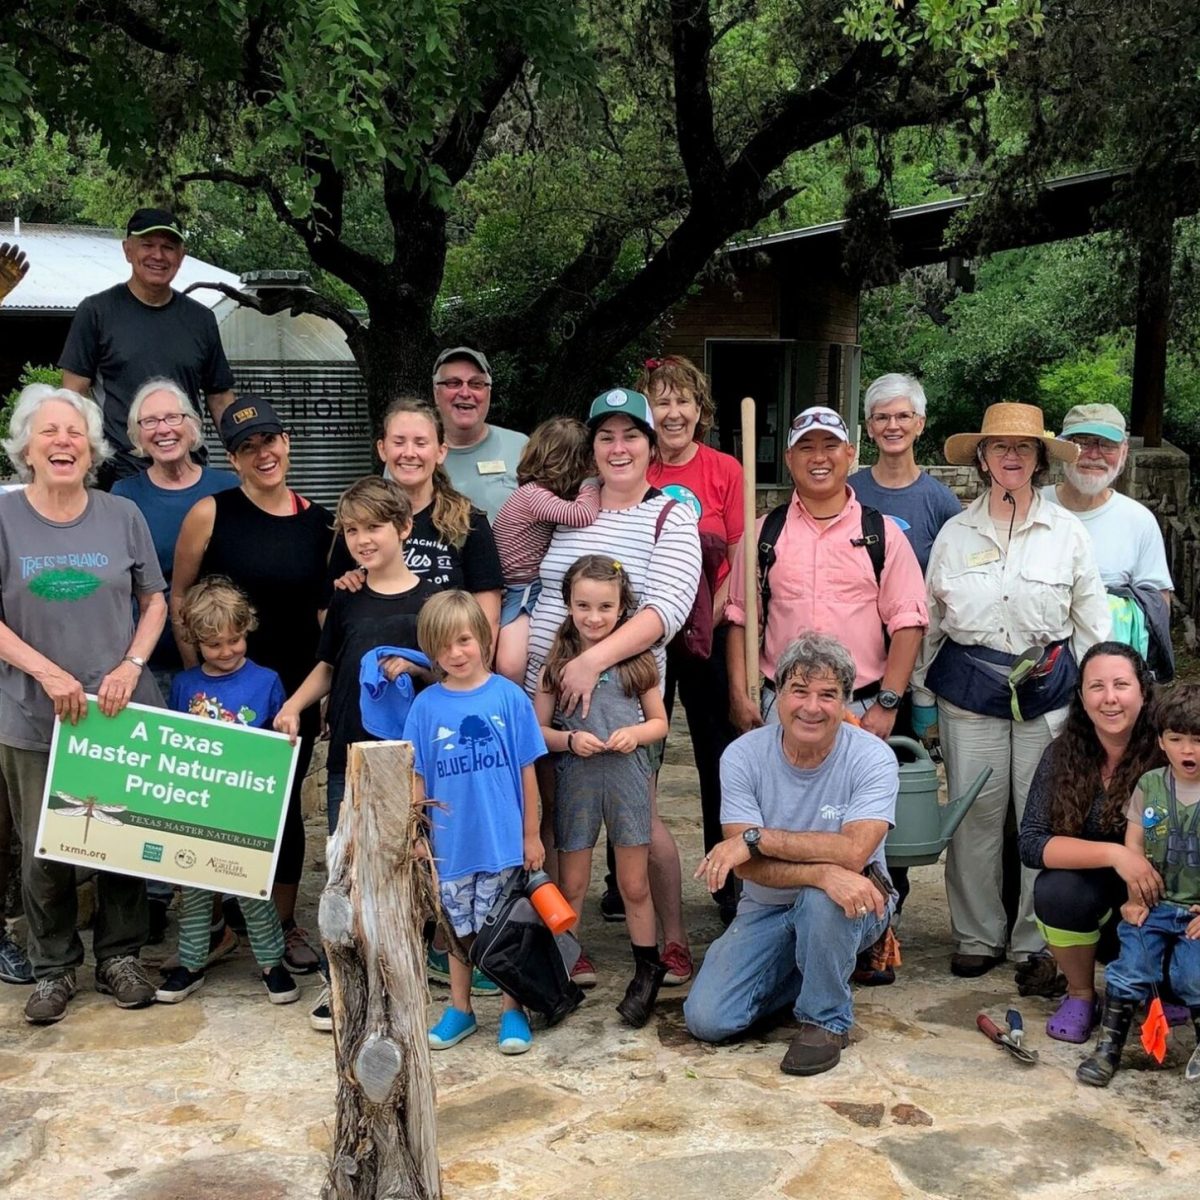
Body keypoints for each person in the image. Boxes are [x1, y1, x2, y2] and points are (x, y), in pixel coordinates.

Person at [913, 402, 1111, 983]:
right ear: (982, 458)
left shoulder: (1067, 534)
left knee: (1041, 817)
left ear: (1041, 459)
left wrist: (1092, 699)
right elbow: (931, 620)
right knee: (974, 814)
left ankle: (1035, 939)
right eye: (1000, 447)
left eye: (1023, 448)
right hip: (969, 691)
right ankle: (977, 935)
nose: (1011, 457)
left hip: (1047, 691)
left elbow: (1092, 624)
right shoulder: (955, 533)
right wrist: (922, 697)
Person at [0, 386, 166, 1024]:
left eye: (74, 432)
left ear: (92, 447)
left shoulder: (120, 514)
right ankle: (52, 967)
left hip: (115, 711)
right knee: (44, 847)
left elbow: (153, 600)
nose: (63, 442)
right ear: (27, 448)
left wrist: (131, 665)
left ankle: (120, 957)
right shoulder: (6, 519)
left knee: (118, 837)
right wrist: (46, 673)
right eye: (50, 433)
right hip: (31, 712)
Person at [525, 388, 701, 986]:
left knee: (641, 825)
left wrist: (590, 662)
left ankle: (671, 941)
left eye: (632, 436)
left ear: (652, 446)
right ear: (591, 446)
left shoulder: (670, 514)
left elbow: (666, 608)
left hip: (623, 695)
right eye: (606, 436)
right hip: (547, 695)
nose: (618, 447)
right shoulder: (566, 505)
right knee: (553, 821)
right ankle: (559, 944)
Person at [683, 633, 898, 1076]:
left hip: (855, 902)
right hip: (766, 906)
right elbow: (749, 865)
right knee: (708, 1019)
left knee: (826, 902)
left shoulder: (873, 757)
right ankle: (817, 963)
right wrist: (822, 872)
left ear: (846, 703)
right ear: (777, 694)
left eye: (827, 695)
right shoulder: (743, 755)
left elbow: (855, 852)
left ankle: (824, 1019)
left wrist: (757, 837)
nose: (811, 707)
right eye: (798, 691)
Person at [172, 395, 334, 977]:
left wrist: (325, 692)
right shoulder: (210, 513)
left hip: (290, 694)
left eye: (269, 440)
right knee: (215, 803)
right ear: (232, 459)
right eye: (246, 447)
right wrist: (198, 676)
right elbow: (180, 596)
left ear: (286, 441)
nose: (262, 454)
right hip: (217, 694)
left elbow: (328, 616)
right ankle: (214, 924)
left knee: (283, 807)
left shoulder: (323, 522)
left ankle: (282, 922)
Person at [726, 406, 928, 739]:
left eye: (830, 446)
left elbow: (908, 623)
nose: (818, 457)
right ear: (789, 458)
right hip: (782, 706)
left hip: (860, 708)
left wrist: (888, 703)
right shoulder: (763, 534)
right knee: (780, 793)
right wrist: (738, 692)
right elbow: (740, 619)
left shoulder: (882, 533)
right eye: (806, 447)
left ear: (849, 454)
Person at [404, 591, 546, 1055]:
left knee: (506, 932)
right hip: (450, 847)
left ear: (483, 638)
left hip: (502, 842)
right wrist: (418, 835)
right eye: (443, 645)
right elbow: (417, 776)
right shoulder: (425, 707)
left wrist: (530, 835)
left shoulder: (509, 699)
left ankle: (512, 1009)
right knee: (455, 931)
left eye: (464, 640)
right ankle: (460, 1008)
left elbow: (527, 771)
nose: (455, 653)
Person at [534, 556, 669, 1026]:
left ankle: (647, 968)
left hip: (627, 774)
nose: (594, 617)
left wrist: (638, 734)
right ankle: (564, 964)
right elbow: (538, 731)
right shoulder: (556, 664)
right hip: (578, 776)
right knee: (571, 881)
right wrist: (570, 739)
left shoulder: (636, 660)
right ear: (569, 605)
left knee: (633, 882)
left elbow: (660, 721)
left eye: (605, 607)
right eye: (584, 605)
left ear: (621, 607)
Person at [157, 577, 300, 1006]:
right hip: (200, 805)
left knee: (252, 888)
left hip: (247, 806)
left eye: (234, 640)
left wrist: (287, 731)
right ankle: (191, 962)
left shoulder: (268, 680)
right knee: (196, 890)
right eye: (214, 644)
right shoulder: (184, 686)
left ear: (247, 631)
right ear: (195, 642)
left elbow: (280, 740)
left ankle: (272, 963)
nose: (226, 651)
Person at [640, 354, 745, 924]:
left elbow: (736, 545)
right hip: (647, 631)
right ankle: (630, 870)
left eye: (683, 400)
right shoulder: (635, 465)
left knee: (717, 752)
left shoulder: (723, 469)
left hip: (707, 628)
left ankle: (724, 872)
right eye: (662, 400)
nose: (673, 412)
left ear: (700, 410)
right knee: (639, 752)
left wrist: (725, 599)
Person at [274, 476, 437, 835]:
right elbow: (329, 665)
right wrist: (292, 706)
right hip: (348, 756)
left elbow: (451, 677)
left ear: (404, 526)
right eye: (351, 530)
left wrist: (417, 667)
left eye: (373, 527)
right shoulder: (345, 597)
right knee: (347, 864)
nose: (362, 540)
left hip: (412, 760)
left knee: (407, 859)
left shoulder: (433, 603)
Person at [1019, 642, 1164, 1042]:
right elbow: (1031, 842)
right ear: (1081, 697)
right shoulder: (1063, 753)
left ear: (1143, 691)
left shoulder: (1171, 751)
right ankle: (1081, 993)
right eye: (1096, 686)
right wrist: (1116, 854)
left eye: (1121, 684)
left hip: (1165, 900)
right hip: (1099, 907)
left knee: (1177, 984)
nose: (1110, 698)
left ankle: (1168, 988)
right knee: (1056, 889)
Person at [1077, 682, 1200, 1086]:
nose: (1188, 750)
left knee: (1192, 977)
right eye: (1177, 739)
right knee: (1130, 967)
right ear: (1161, 742)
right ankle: (1109, 1047)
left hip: (1196, 913)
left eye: (1197, 741)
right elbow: (1134, 844)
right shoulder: (1149, 785)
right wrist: (1134, 897)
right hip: (1154, 904)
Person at [59, 208, 236, 488]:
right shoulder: (97, 312)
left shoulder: (200, 319)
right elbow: (72, 395)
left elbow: (220, 398)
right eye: (148, 245)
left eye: (168, 247)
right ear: (127, 250)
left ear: (181, 256)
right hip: (120, 474)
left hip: (188, 472)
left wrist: (244, 450)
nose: (158, 255)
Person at [331, 398, 504, 642]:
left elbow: (487, 617)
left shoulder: (468, 522)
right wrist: (346, 586)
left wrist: (469, 675)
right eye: (398, 442)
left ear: (441, 451)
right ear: (382, 448)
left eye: (421, 443)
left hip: (446, 667)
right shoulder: (357, 521)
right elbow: (328, 610)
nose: (409, 453)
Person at [112, 378, 239, 697]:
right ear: (137, 433)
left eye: (172, 417)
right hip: (148, 663)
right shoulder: (123, 496)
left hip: (227, 659)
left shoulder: (229, 487)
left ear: (192, 424)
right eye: (150, 421)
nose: (163, 429)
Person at [1043, 403, 1174, 676]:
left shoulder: (1138, 520)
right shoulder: (1036, 506)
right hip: (1041, 674)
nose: (1094, 454)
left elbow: (1157, 606)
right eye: (1082, 443)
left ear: (1124, 452)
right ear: (1061, 448)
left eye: (1107, 445)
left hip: (1109, 679)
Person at [492, 418, 600, 683]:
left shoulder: (532, 492)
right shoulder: (535, 496)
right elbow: (583, 514)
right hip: (521, 588)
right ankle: (516, 703)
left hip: (521, 585)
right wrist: (592, 483)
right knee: (511, 663)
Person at [848, 374, 962, 574]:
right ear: (870, 427)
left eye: (903, 416)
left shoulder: (941, 502)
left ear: (920, 424)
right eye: (882, 417)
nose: (892, 426)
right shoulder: (847, 494)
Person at [431, 347, 527, 521]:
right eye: (453, 383)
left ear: (489, 393)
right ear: (436, 393)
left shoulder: (521, 447)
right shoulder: (412, 454)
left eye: (476, 384)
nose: (465, 393)